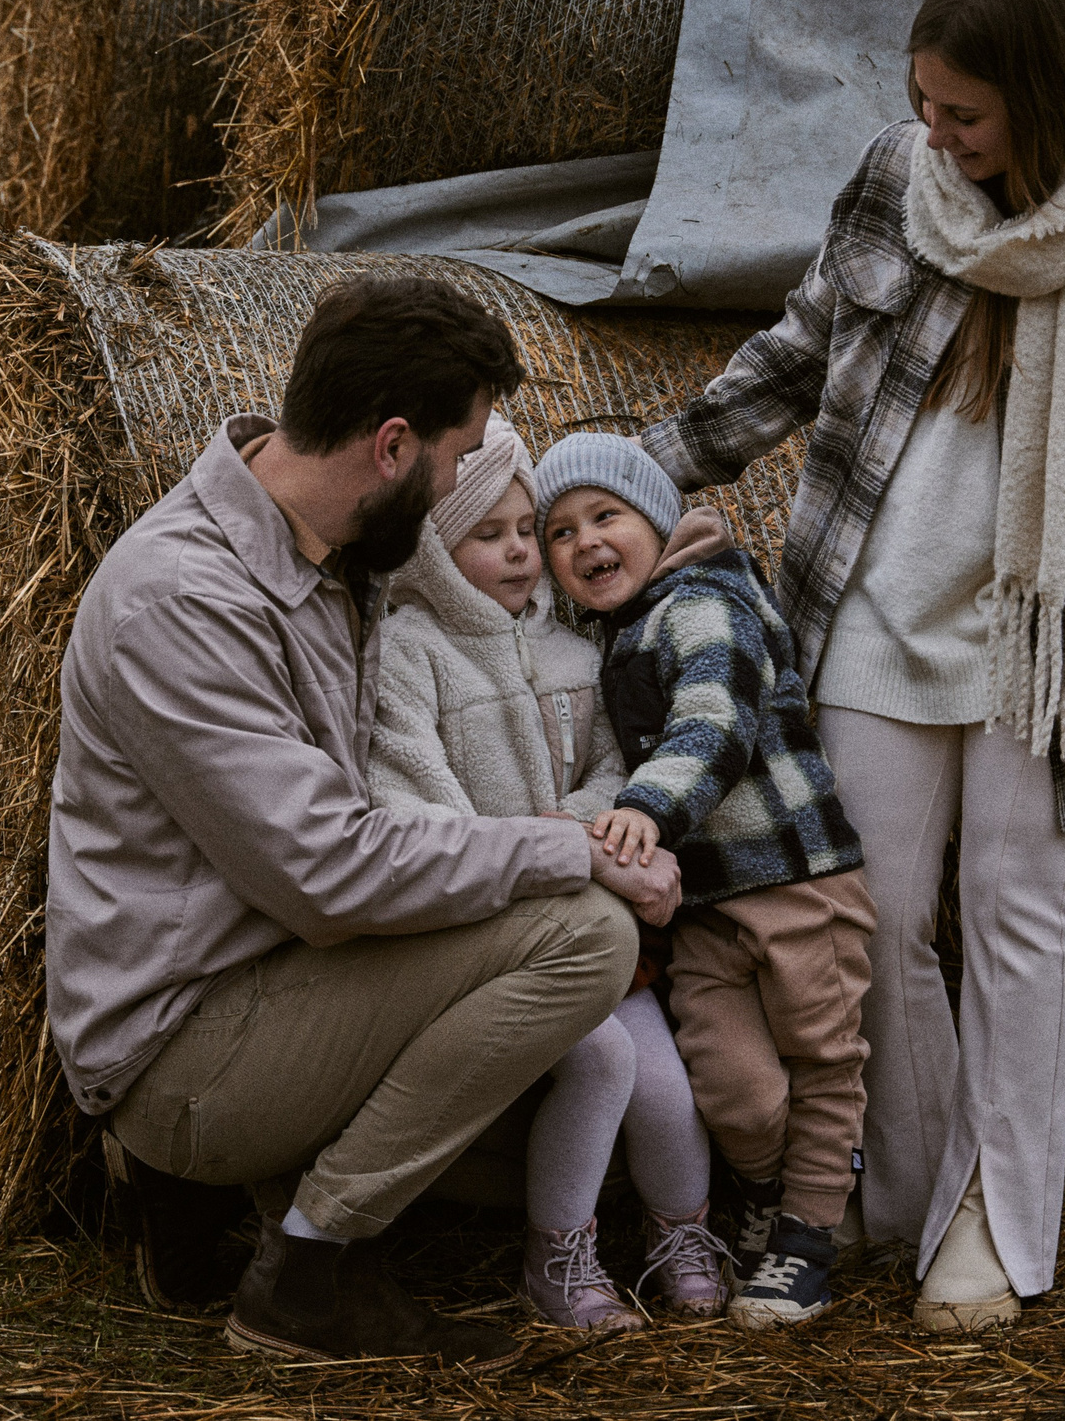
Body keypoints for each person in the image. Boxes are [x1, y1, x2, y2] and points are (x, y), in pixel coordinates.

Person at [640, 0, 1065, 1333]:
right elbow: (795, 351)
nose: (938, 135)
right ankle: (903, 1189)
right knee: (877, 914)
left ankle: (994, 1219)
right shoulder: (898, 183)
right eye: (923, 102)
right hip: (876, 602)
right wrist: (646, 468)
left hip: (1052, 628)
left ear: (1038, 97)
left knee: (1019, 913)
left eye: (966, 114)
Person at [45, 275, 683, 1369]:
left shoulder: (332, 554)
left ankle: (219, 1203)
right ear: (393, 447)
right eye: (459, 453)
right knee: (585, 937)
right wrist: (571, 845)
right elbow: (329, 876)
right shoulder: (183, 599)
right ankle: (305, 1271)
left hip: (279, 978)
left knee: (560, 1132)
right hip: (186, 1043)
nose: (459, 493)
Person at [367, 413, 731, 1331]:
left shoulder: (576, 650)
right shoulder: (409, 654)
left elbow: (618, 773)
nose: (524, 553)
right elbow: (421, 811)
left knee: (663, 1082)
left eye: (529, 530)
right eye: (489, 536)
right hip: (493, 936)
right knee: (600, 1058)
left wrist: (564, 827)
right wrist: (537, 846)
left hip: (596, 914)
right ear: (439, 550)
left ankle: (679, 1234)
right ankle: (558, 1256)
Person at [534, 433, 876, 1331]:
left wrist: (646, 808)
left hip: (797, 880)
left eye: (605, 516)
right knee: (733, 1085)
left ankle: (807, 1236)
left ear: (656, 518)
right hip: (705, 908)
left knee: (823, 1053)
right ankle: (775, 1192)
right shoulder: (624, 630)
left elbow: (713, 720)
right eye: (559, 532)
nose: (584, 542)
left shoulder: (705, 604)